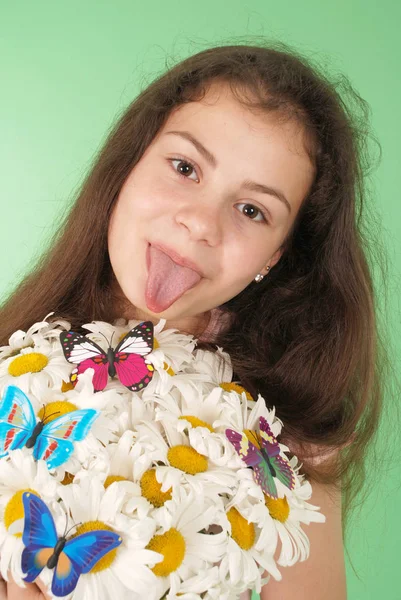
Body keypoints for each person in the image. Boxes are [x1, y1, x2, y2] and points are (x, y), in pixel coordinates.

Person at [0, 40, 394, 599]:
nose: (201, 222)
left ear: (274, 257)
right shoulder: (18, 358)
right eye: (185, 168)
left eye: (252, 210)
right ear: (128, 164)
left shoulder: (285, 441)